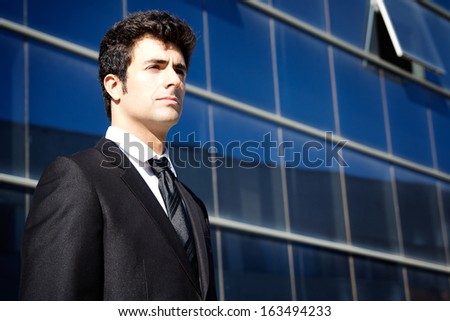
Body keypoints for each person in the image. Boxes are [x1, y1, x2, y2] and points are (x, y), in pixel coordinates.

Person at [19, 10, 216, 301]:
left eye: (180, 70)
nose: (174, 80)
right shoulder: (77, 178)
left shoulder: (193, 205)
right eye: (155, 67)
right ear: (114, 85)